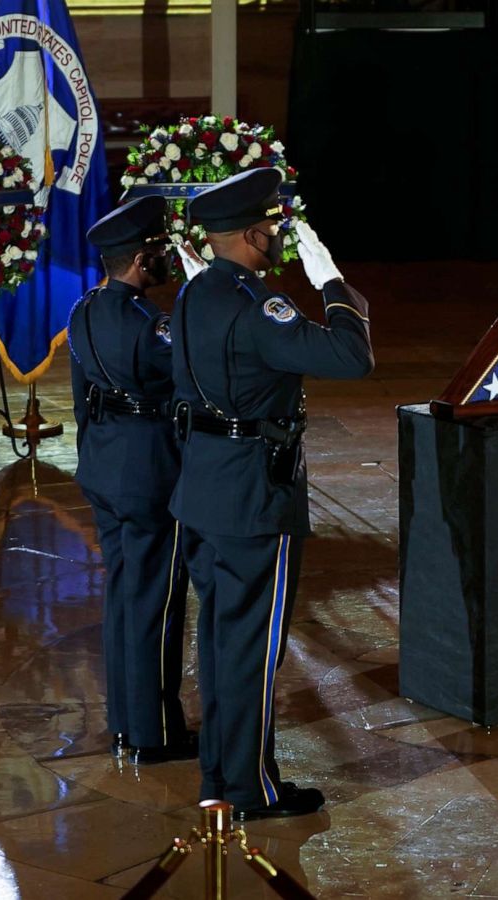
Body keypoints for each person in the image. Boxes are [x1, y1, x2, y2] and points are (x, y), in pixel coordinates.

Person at [170, 167, 374, 821]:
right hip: (254, 498)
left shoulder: (193, 293)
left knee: (222, 642)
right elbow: (352, 356)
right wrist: (333, 285)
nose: (281, 238)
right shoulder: (259, 307)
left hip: (201, 488)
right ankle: (251, 789)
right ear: (256, 232)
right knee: (252, 649)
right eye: (276, 227)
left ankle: (219, 775)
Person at [68, 195, 195, 764]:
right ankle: (155, 732)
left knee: (123, 597)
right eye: (160, 253)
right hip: (149, 472)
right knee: (157, 603)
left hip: (103, 466)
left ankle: (124, 721)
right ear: (143, 260)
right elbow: (191, 388)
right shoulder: (153, 326)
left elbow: (81, 402)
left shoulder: (82, 311)